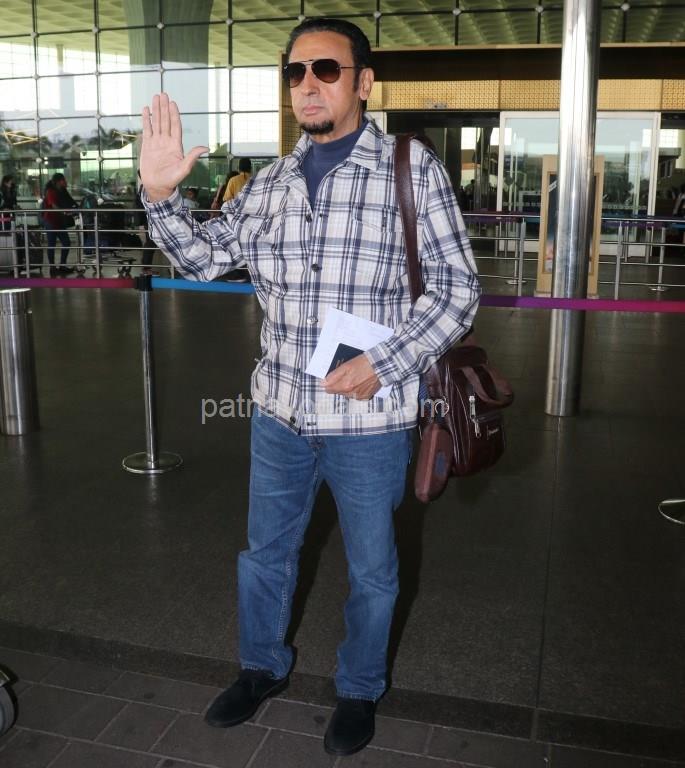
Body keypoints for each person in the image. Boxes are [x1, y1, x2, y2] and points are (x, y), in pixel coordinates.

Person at [139, 17, 480, 757]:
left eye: (326, 69)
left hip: (370, 421)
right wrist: (160, 195)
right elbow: (203, 259)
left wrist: (388, 360)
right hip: (279, 414)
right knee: (264, 556)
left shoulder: (409, 169)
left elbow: (457, 289)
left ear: (363, 82)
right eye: (295, 72)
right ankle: (261, 667)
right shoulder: (271, 183)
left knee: (373, 571)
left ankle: (358, 688)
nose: (308, 85)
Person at [42, 173, 77, 276]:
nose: (65, 181)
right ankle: (52, 267)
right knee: (52, 244)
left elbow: (70, 201)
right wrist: (64, 212)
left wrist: (76, 208)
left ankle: (62, 265)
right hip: (51, 221)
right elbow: (53, 205)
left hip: (59, 220)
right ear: (58, 181)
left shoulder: (62, 190)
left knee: (66, 242)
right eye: (63, 180)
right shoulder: (51, 191)